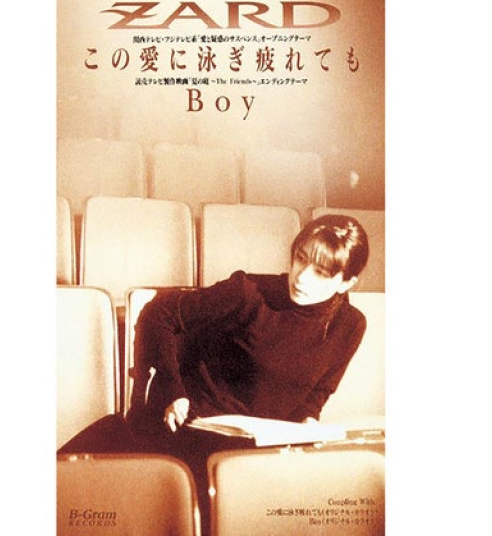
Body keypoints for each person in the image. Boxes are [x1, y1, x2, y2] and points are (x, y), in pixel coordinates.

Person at [59, 213, 369, 534]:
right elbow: (158, 313)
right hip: (189, 428)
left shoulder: (351, 325)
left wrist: (307, 422)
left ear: (346, 283)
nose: (302, 277)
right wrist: (173, 390)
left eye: (320, 272)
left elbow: (317, 393)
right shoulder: (248, 292)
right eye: (300, 258)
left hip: (258, 452)